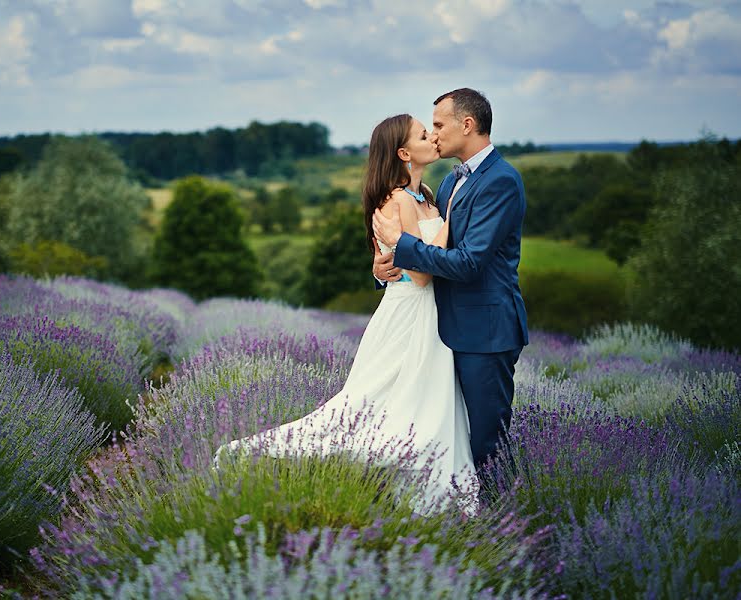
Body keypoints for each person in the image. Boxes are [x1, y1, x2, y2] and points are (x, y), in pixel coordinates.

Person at [213, 113, 477, 517]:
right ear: (405, 152)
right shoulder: (399, 200)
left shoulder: (426, 193)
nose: (434, 138)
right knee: (365, 406)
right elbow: (421, 276)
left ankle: (433, 498)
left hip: (431, 316)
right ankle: (268, 457)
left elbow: (399, 260)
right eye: (425, 134)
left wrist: (396, 251)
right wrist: (448, 222)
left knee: (425, 404)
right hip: (409, 314)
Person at [372, 89, 529, 494]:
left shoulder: (501, 181)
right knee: (445, 433)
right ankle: (447, 511)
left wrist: (403, 247)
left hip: (485, 330)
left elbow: (468, 262)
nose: (435, 134)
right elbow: (428, 253)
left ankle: (498, 523)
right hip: (441, 331)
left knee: (485, 440)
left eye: (439, 125)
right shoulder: (446, 185)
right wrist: (386, 267)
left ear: (468, 125)